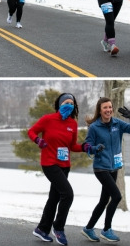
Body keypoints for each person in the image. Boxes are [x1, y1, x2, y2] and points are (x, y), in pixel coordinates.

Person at [28, 93, 91, 246]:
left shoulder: (73, 124)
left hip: (65, 165)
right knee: (68, 194)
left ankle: (42, 229)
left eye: (72, 103)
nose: (69, 105)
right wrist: (38, 140)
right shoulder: (48, 119)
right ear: (60, 104)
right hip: (49, 163)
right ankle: (59, 227)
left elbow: (72, 146)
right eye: (66, 102)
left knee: (54, 198)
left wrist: (84, 147)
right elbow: (31, 131)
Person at [81, 98, 130, 242]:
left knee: (104, 200)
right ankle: (107, 230)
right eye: (105, 108)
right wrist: (95, 148)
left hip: (114, 167)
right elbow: (87, 146)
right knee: (117, 196)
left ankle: (88, 228)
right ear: (100, 110)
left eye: (110, 107)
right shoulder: (95, 127)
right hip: (101, 167)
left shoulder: (117, 123)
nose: (108, 110)